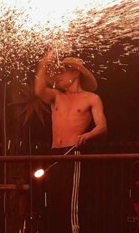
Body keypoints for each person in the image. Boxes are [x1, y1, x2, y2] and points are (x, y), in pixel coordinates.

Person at [34, 54, 107, 233]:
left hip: (73, 153)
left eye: (63, 71)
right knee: (54, 199)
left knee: (71, 201)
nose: (58, 75)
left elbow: (103, 127)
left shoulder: (91, 98)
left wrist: (88, 135)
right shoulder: (56, 96)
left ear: (75, 73)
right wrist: (43, 63)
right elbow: (39, 91)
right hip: (54, 153)